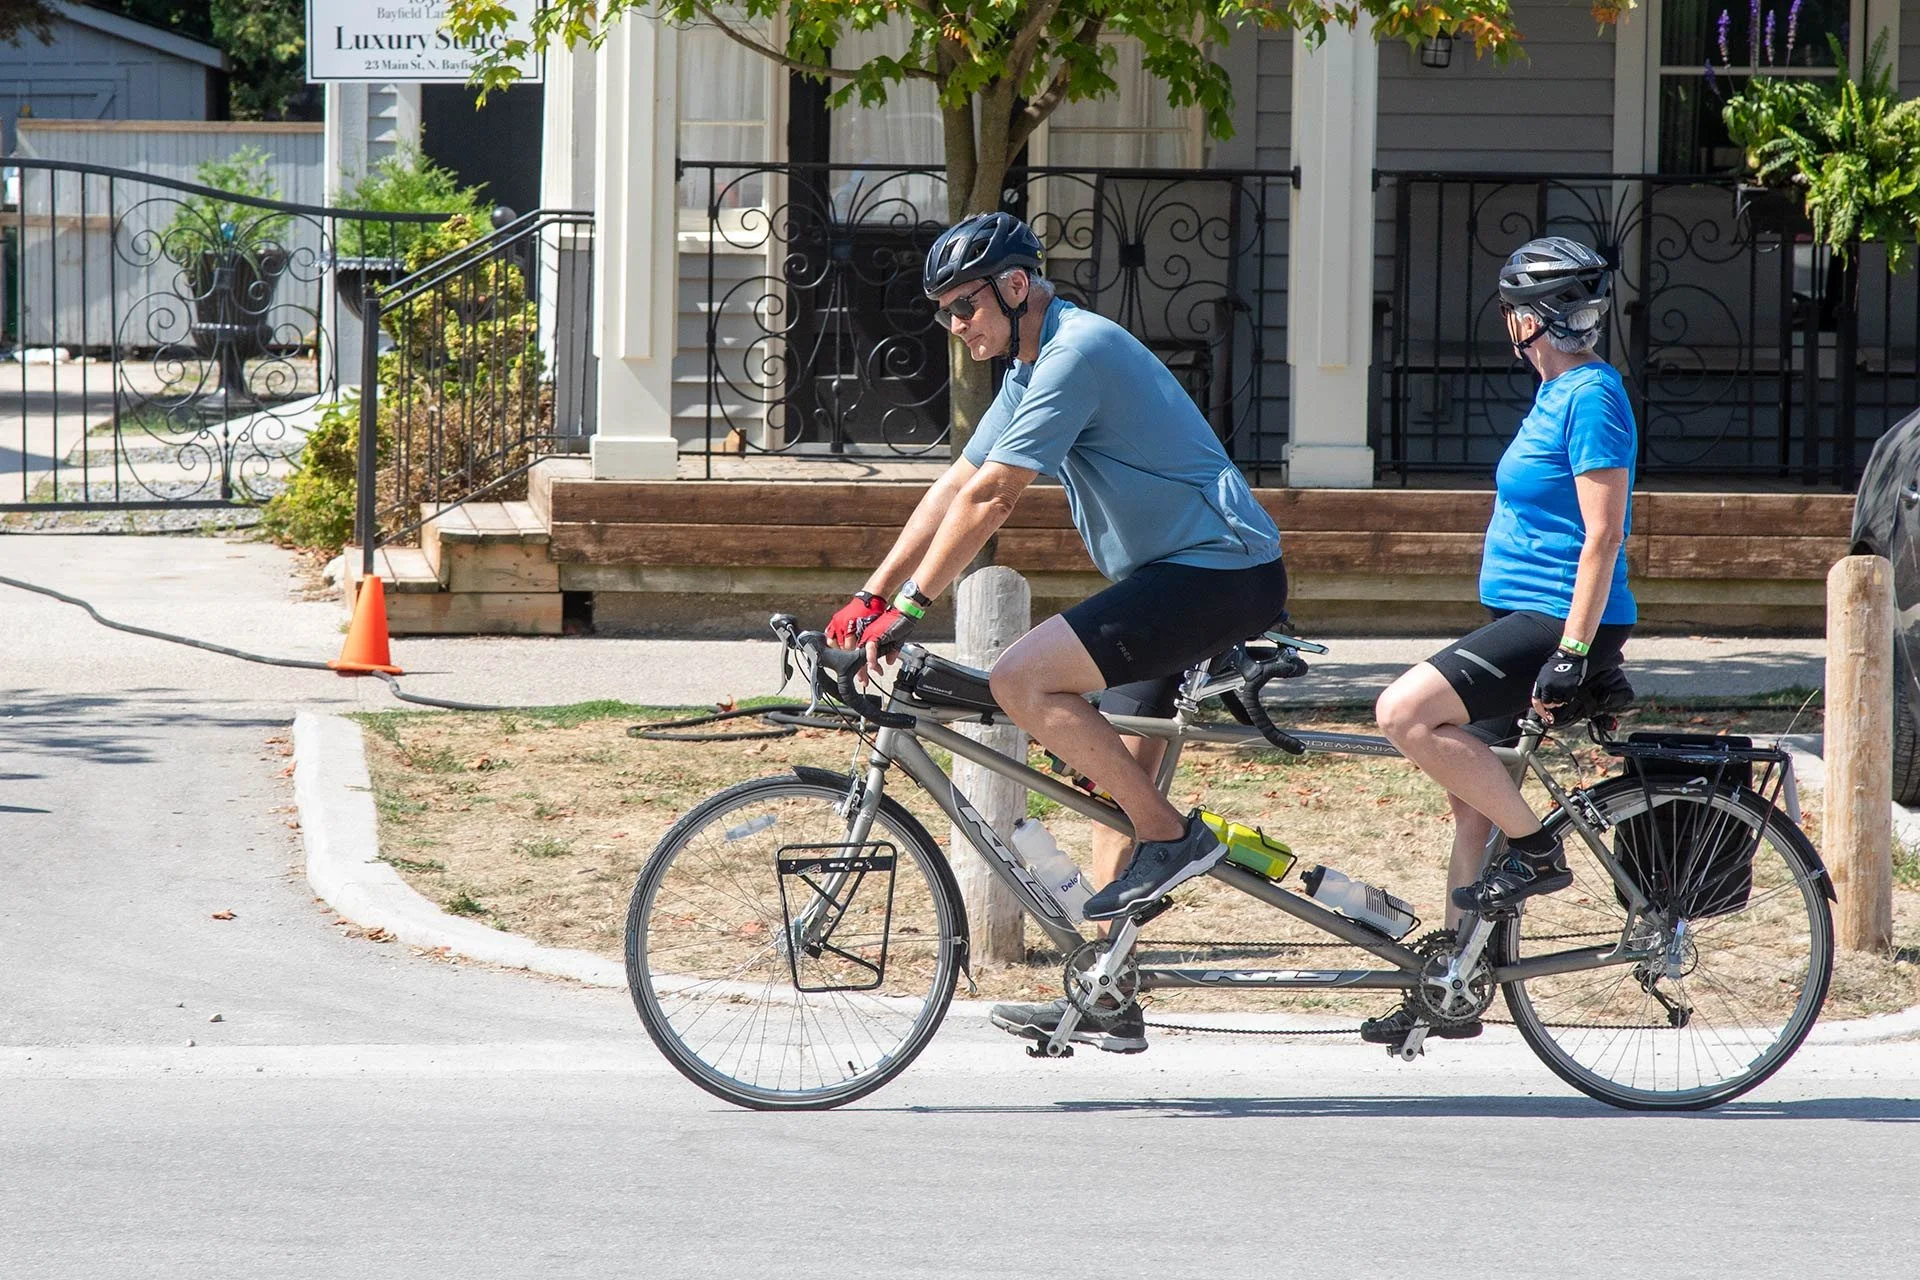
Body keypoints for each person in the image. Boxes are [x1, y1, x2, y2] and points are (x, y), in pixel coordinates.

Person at [824, 211, 1289, 1054]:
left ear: (1013, 286)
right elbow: (955, 483)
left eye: (964, 306)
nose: (955, 327)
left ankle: (1172, 838)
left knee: (1022, 679)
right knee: (1114, 785)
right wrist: (872, 593)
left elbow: (996, 498)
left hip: (1221, 574)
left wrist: (914, 609)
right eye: (943, 312)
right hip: (1175, 578)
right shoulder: (1030, 363)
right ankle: (1112, 993)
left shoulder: (1077, 352)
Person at [1366, 236, 1637, 1046]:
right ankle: (1453, 983)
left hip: (1559, 618)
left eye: (1513, 308)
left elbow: (1604, 534)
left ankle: (1539, 850)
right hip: (1523, 614)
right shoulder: (1556, 392)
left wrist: (1577, 652)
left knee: (1404, 714)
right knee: (1469, 803)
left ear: (1531, 318)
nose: (1508, 321)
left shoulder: (1592, 396)